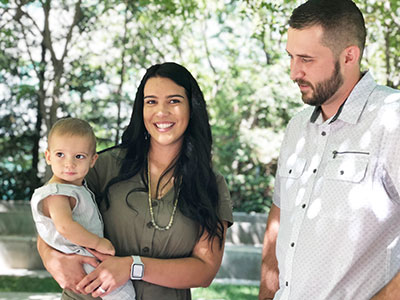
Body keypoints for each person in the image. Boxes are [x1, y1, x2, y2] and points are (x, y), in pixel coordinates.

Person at [37, 62, 233, 300]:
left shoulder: (211, 185)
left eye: (174, 101)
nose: (161, 112)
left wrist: (133, 266)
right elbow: (53, 214)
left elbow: (205, 270)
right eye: (151, 101)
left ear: (192, 108)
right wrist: (51, 257)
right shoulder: (103, 165)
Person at [259, 0, 400, 299]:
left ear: (349, 56)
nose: (293, 73)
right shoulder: (296, 128)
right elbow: (279, 222)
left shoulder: (392, 118)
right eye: (291, 57)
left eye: (306, 60)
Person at [31, 118, 136, 299]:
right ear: (48, 156)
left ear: (93, 160)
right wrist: (98, 243)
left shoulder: (75, 188)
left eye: (79, 156)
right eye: (60, 155)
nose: (69, 163)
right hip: (81, 255)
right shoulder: (57, 193)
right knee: (122, 294)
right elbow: (65, 227)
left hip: (85, 253)